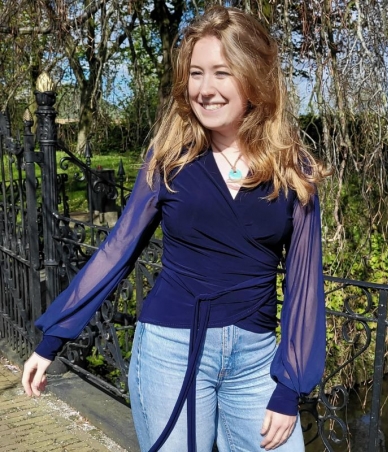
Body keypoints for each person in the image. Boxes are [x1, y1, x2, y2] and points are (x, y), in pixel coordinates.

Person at [22, 6, 328, 452]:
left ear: (254, 78)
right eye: (196, 74)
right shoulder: (170, 158)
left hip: (255, 362)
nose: (205, 89)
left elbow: (305, 284)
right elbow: (118, 250)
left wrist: (289, 387)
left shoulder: (292, 169)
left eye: (222, 73)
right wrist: (53, 338)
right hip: (170, 352)